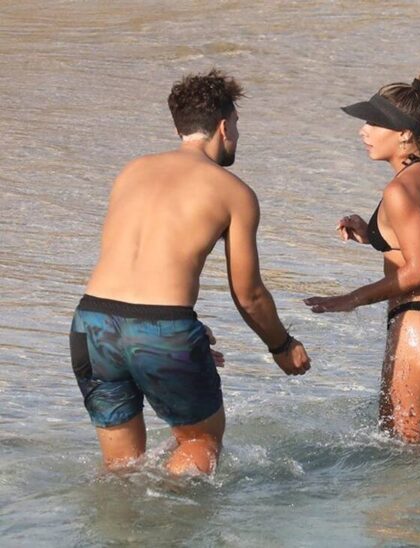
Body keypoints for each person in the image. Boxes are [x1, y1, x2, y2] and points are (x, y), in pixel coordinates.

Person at [69, 69, 311, 475]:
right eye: (236, 124)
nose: (237, 134)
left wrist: (182, 333)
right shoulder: (233, 192)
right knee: (201, 441)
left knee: (122, 468)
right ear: (223, 126)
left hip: (92, 324)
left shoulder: (132, 170)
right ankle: (174, 512)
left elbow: (132, 269)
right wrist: (281, 346)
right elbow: (249, 294)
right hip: (164, 330)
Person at [304, 72, 420, 443]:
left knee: (405, 458)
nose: (363, 131)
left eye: (373, 123)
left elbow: (419, 270)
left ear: (404, 134)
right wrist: (373, 235)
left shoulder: (399, 190)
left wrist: (350, 300)